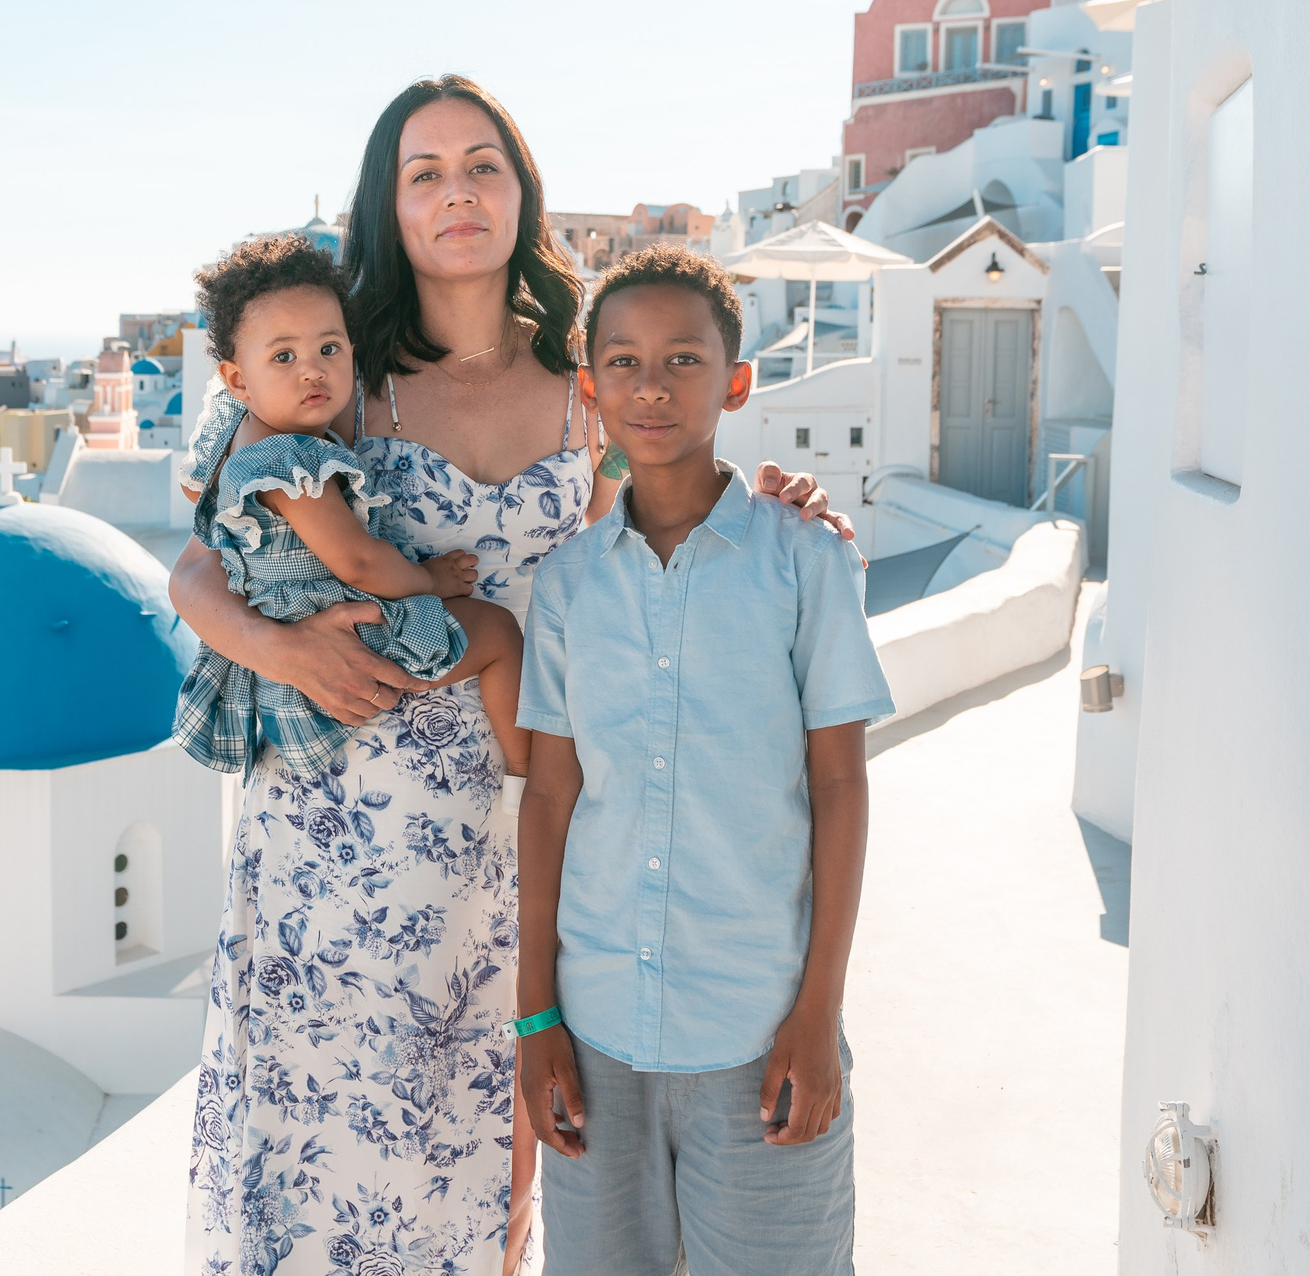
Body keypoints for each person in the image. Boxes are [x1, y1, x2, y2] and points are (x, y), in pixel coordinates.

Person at [174, 75, 845, 1276]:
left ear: (520, 187)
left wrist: (784, 500)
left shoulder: (581, 379)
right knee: (332, 1156)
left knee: (502, 1170)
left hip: (539, 815)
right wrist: (279, 650)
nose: (455, 194)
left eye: (481, 164)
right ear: (389, 205)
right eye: (422, 173)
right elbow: (195, 570)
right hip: (341, 822)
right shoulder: (330, 374)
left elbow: (660, 505)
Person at [514, 246, 893, 1276]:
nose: (651, 385)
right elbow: (550, 797)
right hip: (594, 1033)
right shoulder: (569, 586)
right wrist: (535, 1014)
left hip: (758, 1027)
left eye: (683, 359)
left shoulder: (803, 558)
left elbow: (839, 786)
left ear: (736, 381)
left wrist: (818, 1015)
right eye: (624, 362)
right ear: (589, 389)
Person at [172, 232, 527, 791]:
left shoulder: (238, 440)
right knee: (500, 634)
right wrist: (430, 580)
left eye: (329, 350)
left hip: (302, 671)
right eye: (284, 357)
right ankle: (526, 776)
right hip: (343, 648)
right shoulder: (288, 462)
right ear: (237, 379)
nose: (312, 371)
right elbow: (358, 562)